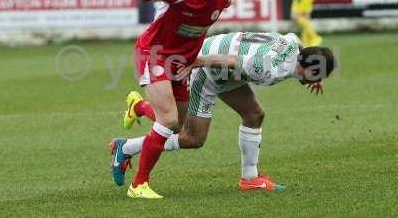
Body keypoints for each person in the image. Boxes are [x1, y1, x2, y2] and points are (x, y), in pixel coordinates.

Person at [96, 0, 239, 199]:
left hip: (181, 63)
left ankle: (135, 113)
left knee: (177, 127)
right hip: (154, 53)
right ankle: (139, 185)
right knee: (169, 120)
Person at [111, 31, 336, 191]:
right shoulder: (271, 68)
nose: (317, 81)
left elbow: (295, 38)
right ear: (307, 68)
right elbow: (230, 60)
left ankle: (250, 179)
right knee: (191, 136)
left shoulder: (295, 49)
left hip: (227, 66)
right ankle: (127, 146)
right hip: (210, 67)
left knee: (254, 114)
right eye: (318, 76)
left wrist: (312, 75)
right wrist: (196, 62)